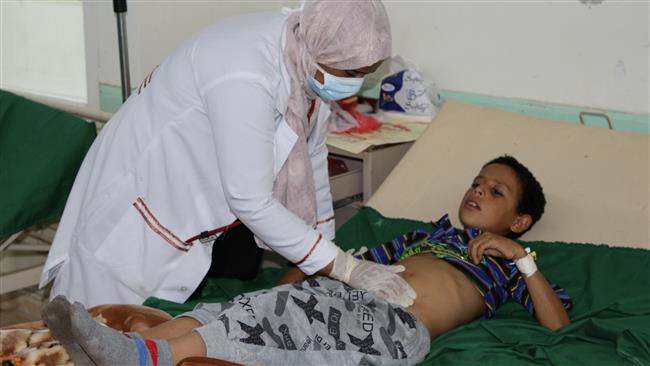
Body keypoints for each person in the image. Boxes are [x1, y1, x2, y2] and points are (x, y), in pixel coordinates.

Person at [38, 0, 416, 309]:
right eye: (349, 71)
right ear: (321, 50)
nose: (353, 84)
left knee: (148, 336)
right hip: (140, 208)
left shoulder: (304, 62)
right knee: (95, 328)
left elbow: (312, 155)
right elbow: (249, 200)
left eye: (365, 74)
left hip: (188, 205)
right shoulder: (246, 74)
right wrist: (346, 268)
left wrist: (326, 252)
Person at [41, 155, 572, 366]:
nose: (478, 191)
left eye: (496, 191)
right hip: (343, 301)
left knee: (277, 322)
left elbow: (557, 323)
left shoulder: (508, 265)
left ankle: (143, 355)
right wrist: (284, 282)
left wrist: (522, 260)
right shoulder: (424, 236)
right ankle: (144, 343)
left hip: (395, 327)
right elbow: (340, 262)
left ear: (520, 221)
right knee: (255, 311)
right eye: (477, 182)